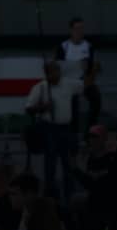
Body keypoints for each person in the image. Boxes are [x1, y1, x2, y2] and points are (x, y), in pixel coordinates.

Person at [24, 60, 83, 202]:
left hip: (65, 128)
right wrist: (43, 107)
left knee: (68, 163)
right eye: (51, 72)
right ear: (47, 73)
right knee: (50, 164)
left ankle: (70, 195)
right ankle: (51, 196)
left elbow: (84, 86)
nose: (54, 74)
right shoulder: (40, 88)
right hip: (49, 129)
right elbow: (29, 108)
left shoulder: (68, 84)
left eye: (56, 71)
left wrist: (92, 72)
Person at [54, 18, 102, 129]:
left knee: (96, 98)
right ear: (71, 30)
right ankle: (72, 131)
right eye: (77, 29)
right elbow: (58, 65)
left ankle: (90, 129)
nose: (79, 31)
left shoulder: (88, 46)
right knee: (72, 103)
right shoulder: (64, 46)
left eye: (81, 28)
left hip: (84, 80)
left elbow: (92, 65)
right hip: (69, 81)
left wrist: (90, 72)